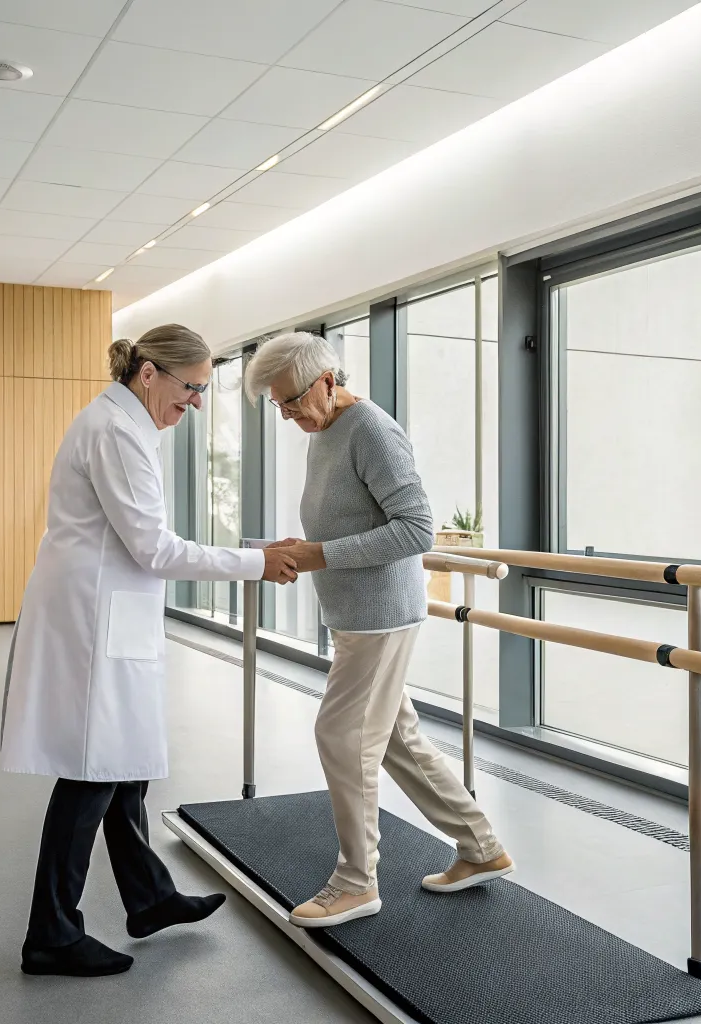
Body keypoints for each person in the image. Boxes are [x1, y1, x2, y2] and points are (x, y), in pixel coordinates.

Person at [1, 325, 299, 977]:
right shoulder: (114, 431)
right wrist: (254, 563)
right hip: (92, 619)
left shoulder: (128, 426)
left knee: (125, 763)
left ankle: (150, 898)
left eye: (203, 390)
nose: (197, 403)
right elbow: (154, 548)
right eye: (191, 387)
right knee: (93, 773)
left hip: (109, 612)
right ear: (148, 375)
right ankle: (51, 933)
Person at [248, 332, 513, 929]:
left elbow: (417, 529)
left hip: (380, 616)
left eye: (291, 400)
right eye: (277, 404)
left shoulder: (371, 430)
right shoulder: (324, 430)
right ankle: (481, 847)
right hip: (356, 615)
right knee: (396, 739)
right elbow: (343, 522)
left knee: (342, 735)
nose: (286, 414)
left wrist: (320, 555)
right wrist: (305, 550)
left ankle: (356, 882)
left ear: (326, 380)